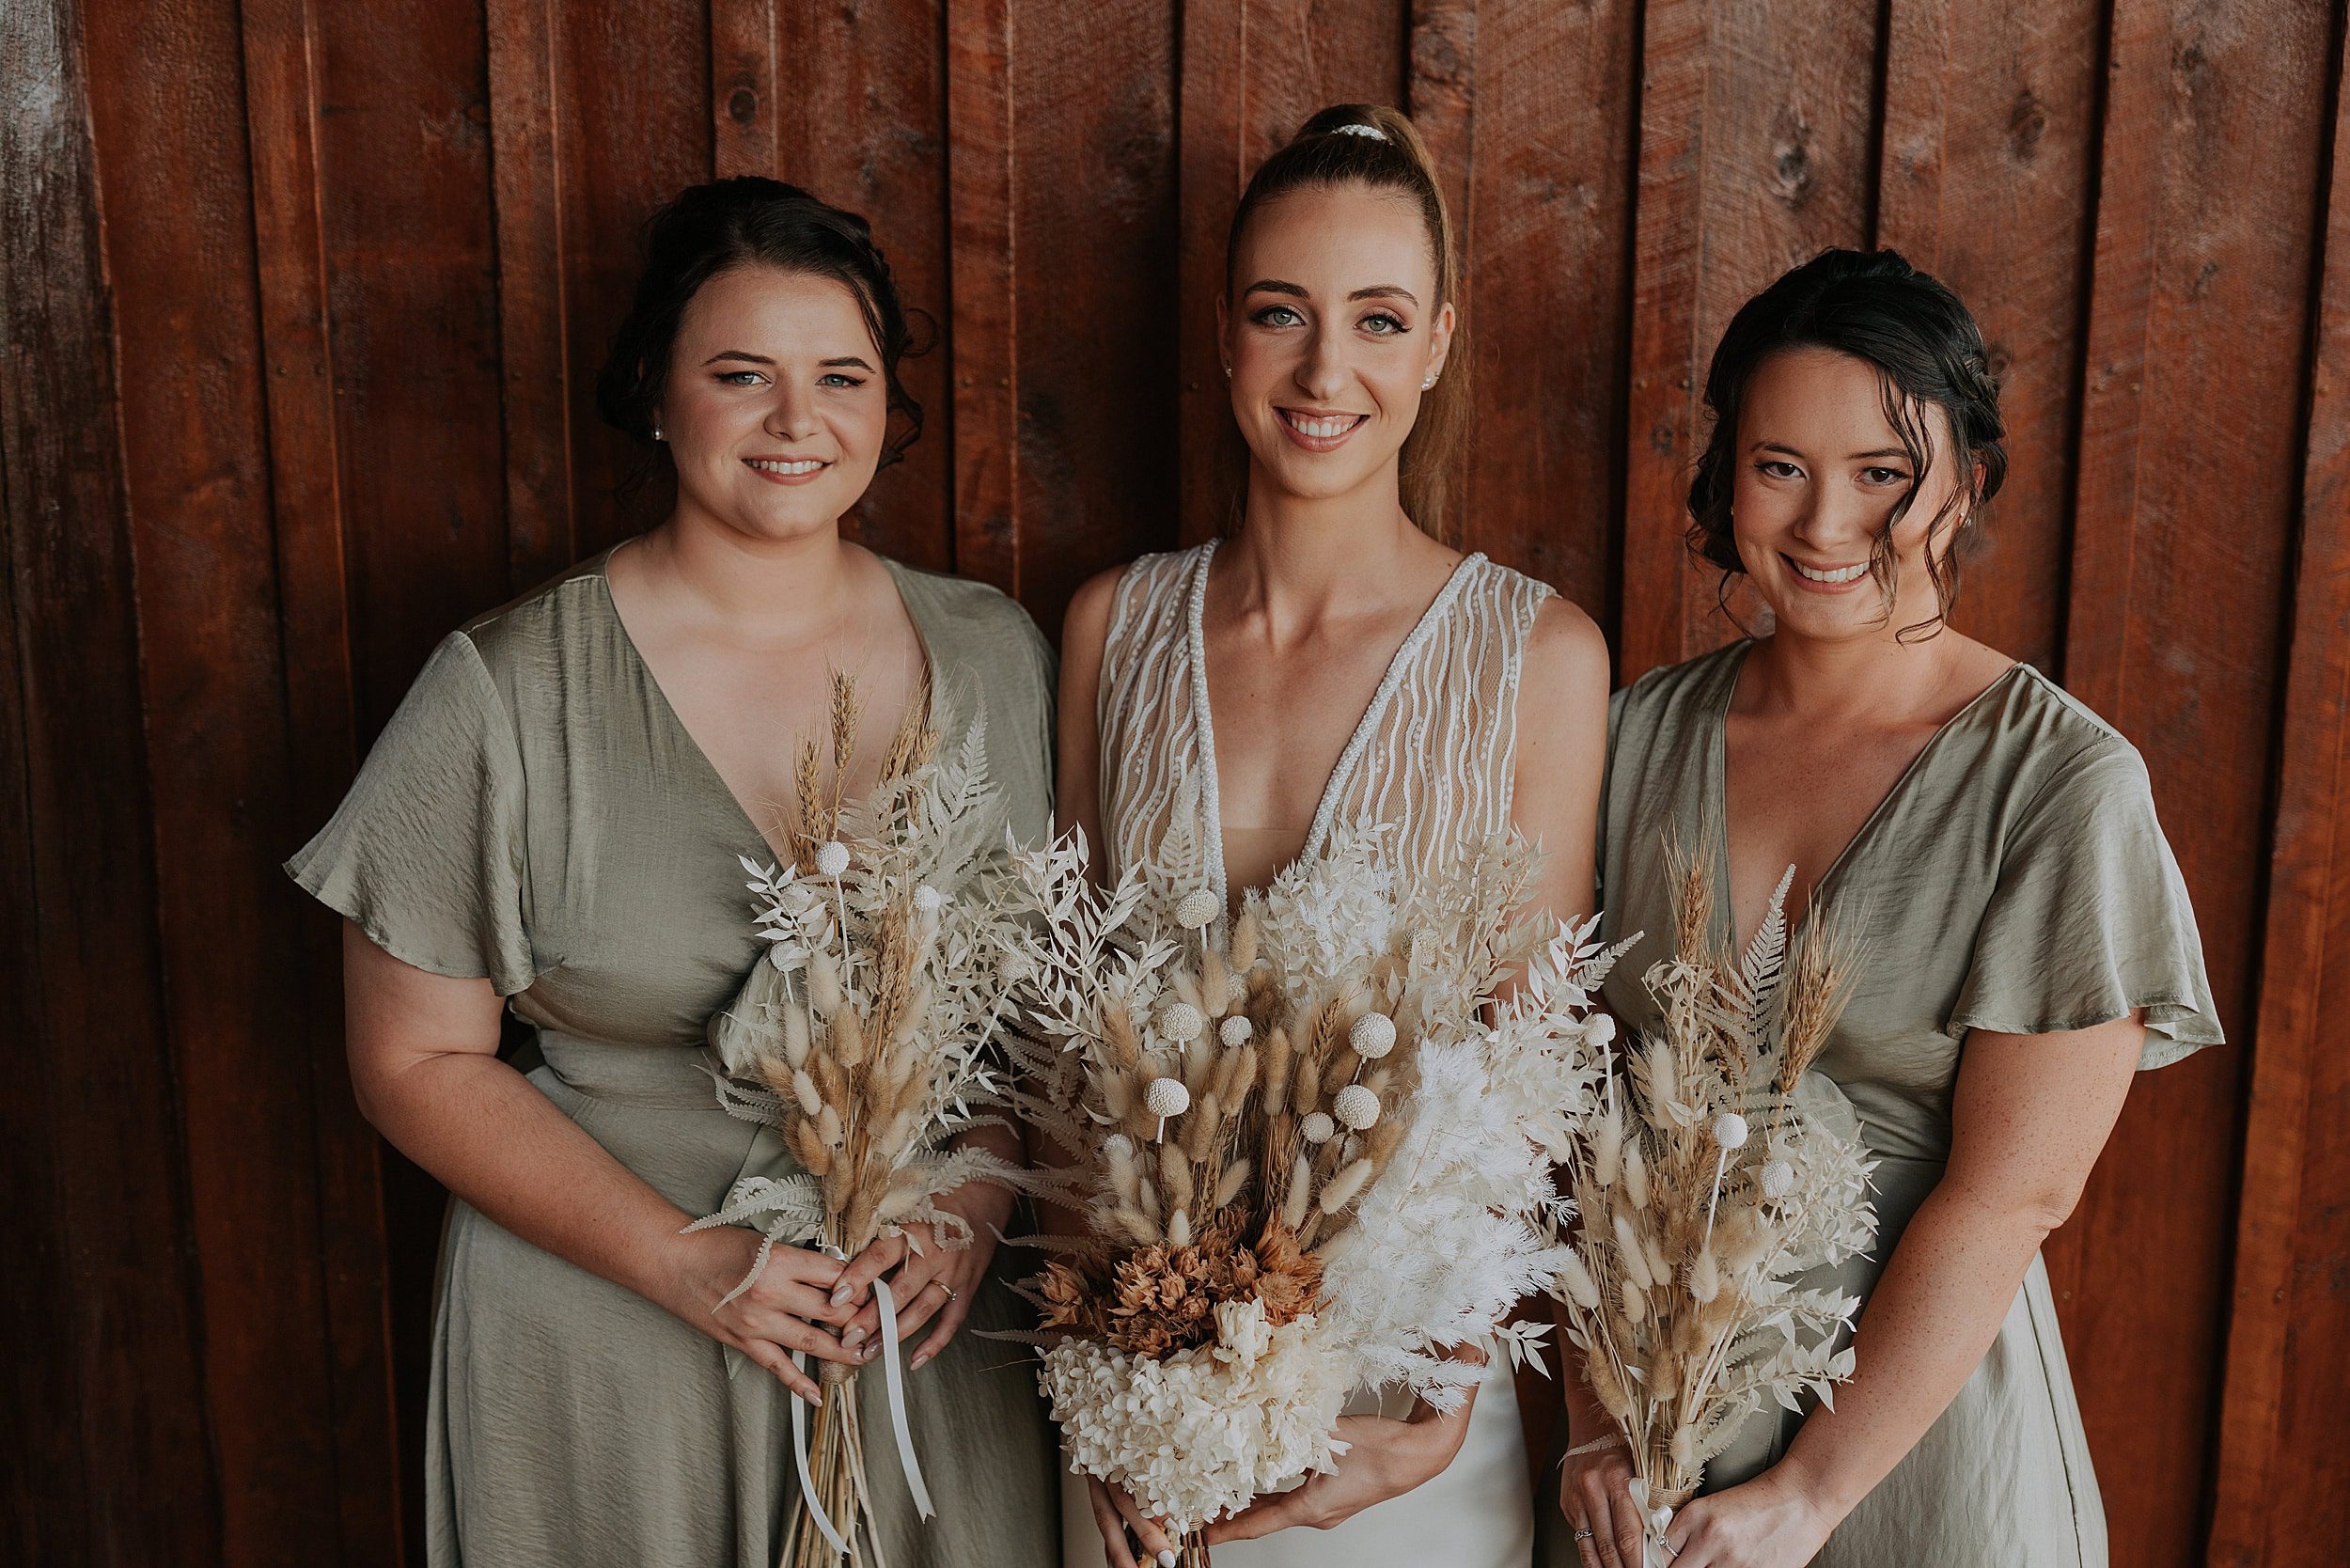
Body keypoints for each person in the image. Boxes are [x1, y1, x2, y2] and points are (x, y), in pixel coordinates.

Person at [287, 176, 1060, 1567]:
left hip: (919, 1343)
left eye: (841, 375)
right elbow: (410, 1061)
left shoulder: (998, 653)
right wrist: (682, 1262)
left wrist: (979, 1193)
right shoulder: (506, 686)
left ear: (889, 407)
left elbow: (1031, 1009)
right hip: (610, 1339)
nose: (797, 419)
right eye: (740, 374)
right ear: (655, 393)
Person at [1548, 247, 2222, 1568]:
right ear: (1725, 478)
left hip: (1908, 1458)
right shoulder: (1628, 735)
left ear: (1964, 483)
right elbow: (1573, 1105)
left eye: (1883, 474)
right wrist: (1589, 1423)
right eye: (1780, 465)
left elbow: (2009, 1199)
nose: (1822, 523)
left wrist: (1811, 1495)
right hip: (1645, 1468)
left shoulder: (2061, 785)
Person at [1052, 103, 1612, 1568]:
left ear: (1436, 343)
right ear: (1226, 339)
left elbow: (1530, 1062)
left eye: (1376, 320)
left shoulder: (1537, 655)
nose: (1324, 371)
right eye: (1280, 315)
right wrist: (1094, 1375)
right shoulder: (1113, 628)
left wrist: (1441, 1396)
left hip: (1395, 1418)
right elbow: (1062, 1032)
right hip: (1138, 1404)